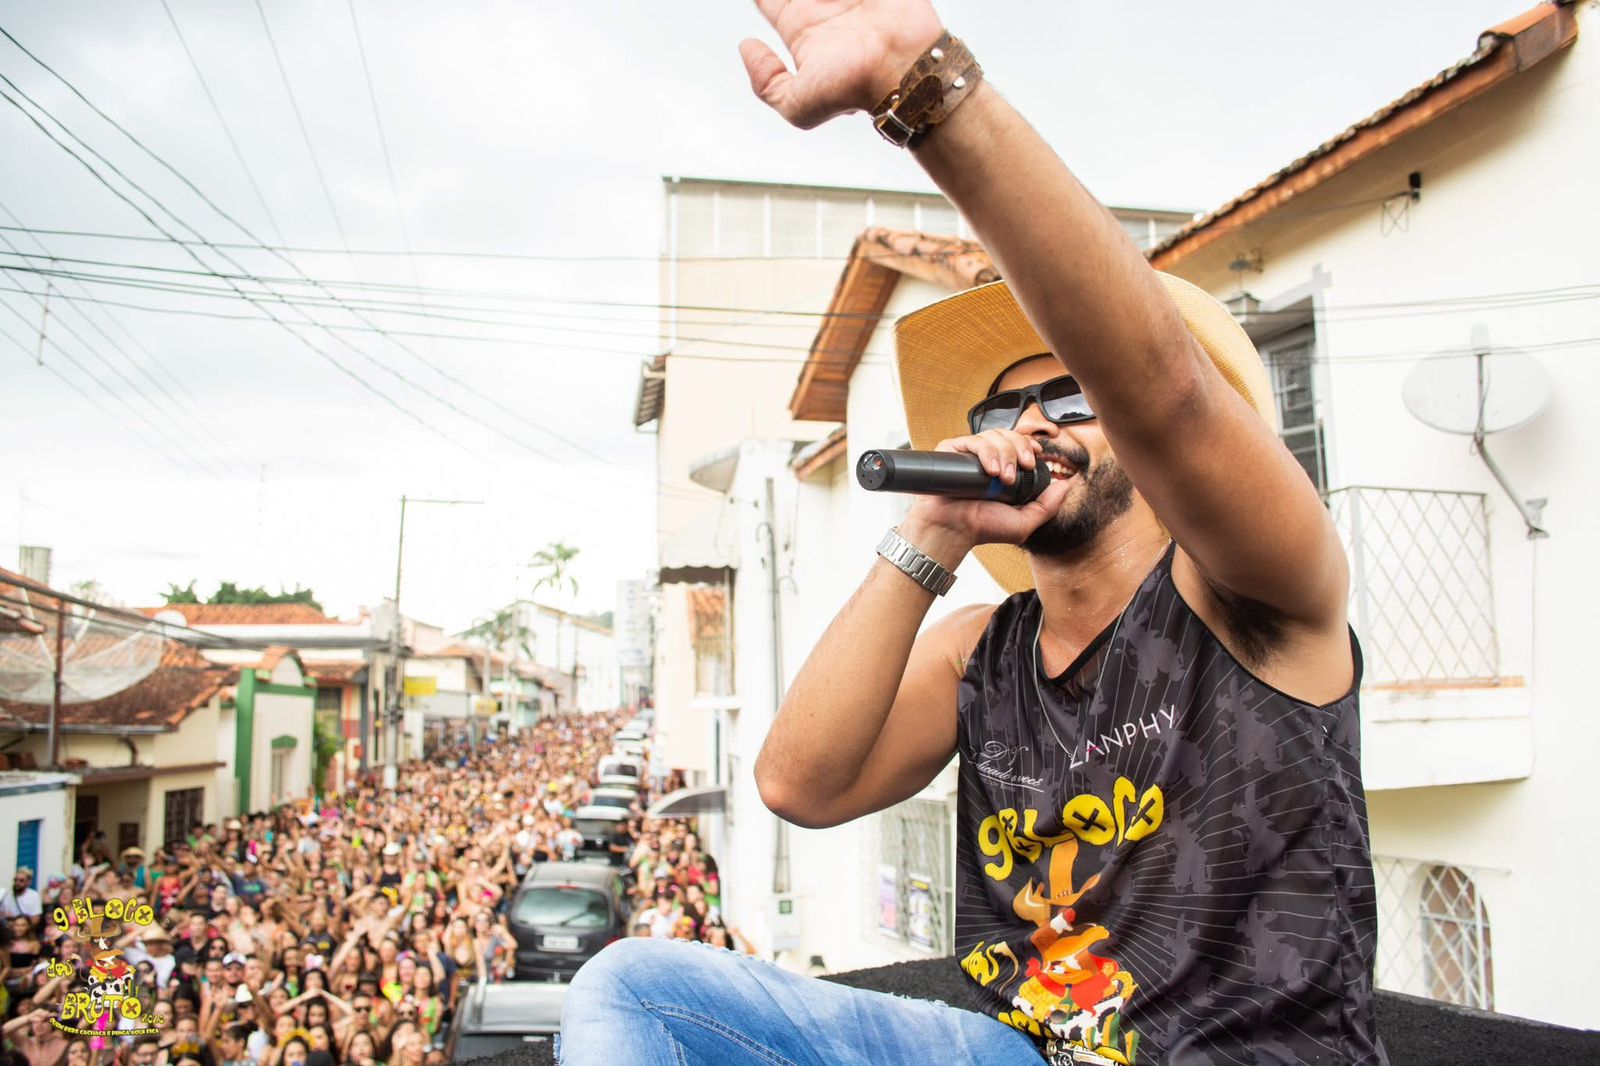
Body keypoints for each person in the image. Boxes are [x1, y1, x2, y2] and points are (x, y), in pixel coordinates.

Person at [561, 3, 1383, 1064]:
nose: (1031, 424)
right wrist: (933, 532)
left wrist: (921, 83)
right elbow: (798, 784)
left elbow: (1169, 394)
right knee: (636, 989)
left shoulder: (1253, 597)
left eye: (1073, 395)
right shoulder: (982, 651)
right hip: (1019, 1052)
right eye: (1002, 411)